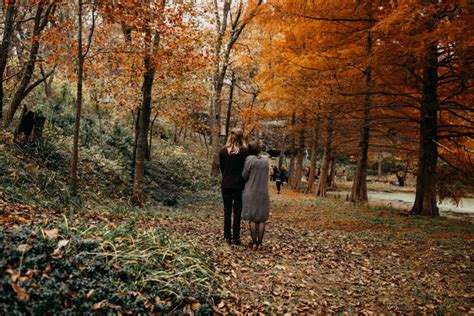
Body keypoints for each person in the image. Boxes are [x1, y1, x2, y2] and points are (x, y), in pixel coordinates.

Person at [219, 128, 248, 245]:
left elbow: (222, 169)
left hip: (226, 184)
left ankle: (227, 236)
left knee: (227, 210)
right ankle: (236, 237)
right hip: (238, 185)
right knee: (237, 210)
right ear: (241, 138)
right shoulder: (245, 152)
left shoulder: (222, 151)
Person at [242, 142, 270, 251]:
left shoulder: (249, 159)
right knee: (262, 218)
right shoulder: (266, 159)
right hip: (263, 191)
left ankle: (254, 243)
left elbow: (244, 175)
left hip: (251, 191)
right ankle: (260, 243)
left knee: (253, 218)